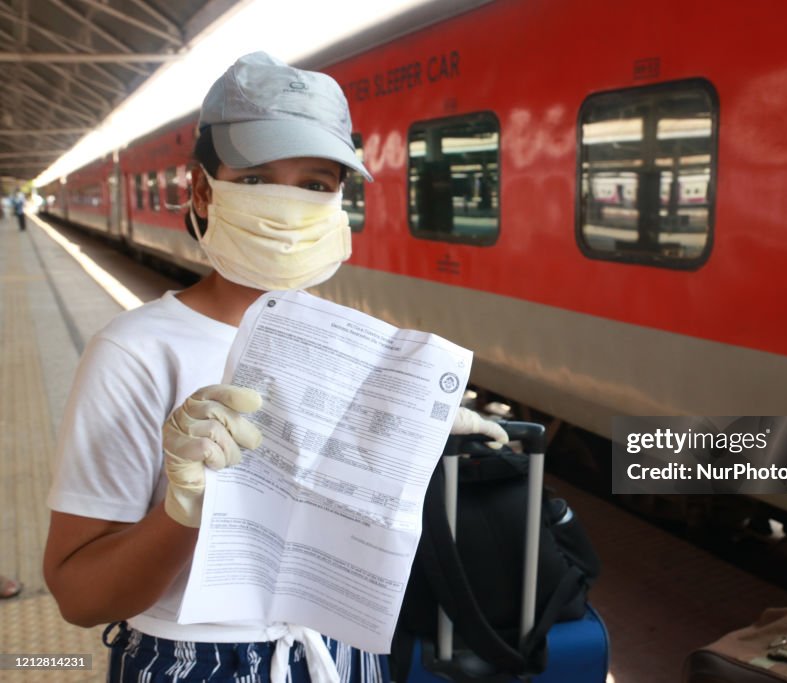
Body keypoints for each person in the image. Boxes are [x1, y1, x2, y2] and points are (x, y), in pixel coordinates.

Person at [43, 52, 507, 683]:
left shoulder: (361, 352)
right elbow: (81, 597)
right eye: (258, 179)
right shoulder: (135, 351)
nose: (289, 206)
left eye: (315, 185)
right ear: (203, 189)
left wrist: (413, 442)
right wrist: (185, 507)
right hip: (192, 661)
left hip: (340, 652)